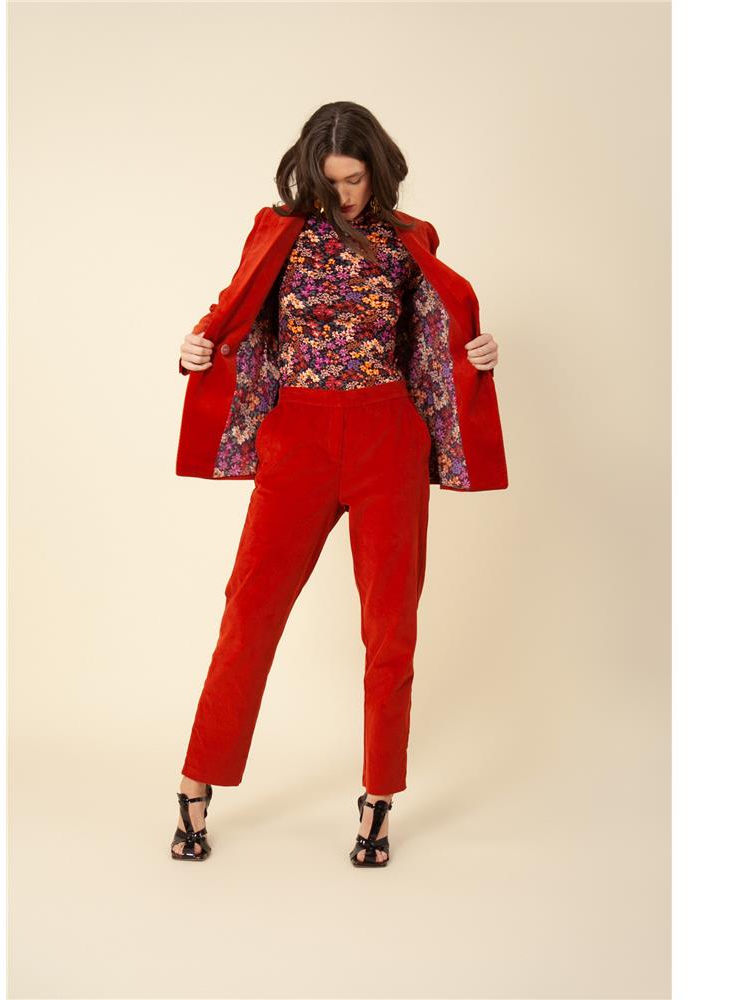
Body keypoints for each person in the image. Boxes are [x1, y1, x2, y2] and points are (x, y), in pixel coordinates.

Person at [171, 101, 507, 867]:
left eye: (354, 179)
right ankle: (196, 781)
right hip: (298, 439)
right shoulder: (279, 232)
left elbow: (433, 341)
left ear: (377, 170)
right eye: (330, 181)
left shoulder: (409, 239)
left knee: (390, 629)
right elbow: (234, 311)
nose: (343, 195)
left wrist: (477, 354)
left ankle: (378, 798)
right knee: (249, 612)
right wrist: (197, 348)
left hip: (388, 438)